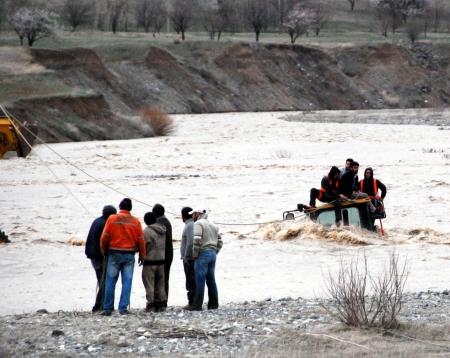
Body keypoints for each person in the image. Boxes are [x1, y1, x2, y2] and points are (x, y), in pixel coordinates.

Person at [100, 198, 145, 316]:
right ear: (130, 208)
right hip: (129, 255)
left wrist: (104, 250)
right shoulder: (135, 222)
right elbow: (141, 240)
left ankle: (108, 308)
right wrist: (142, 255)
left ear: (120, 207)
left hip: (113, 253)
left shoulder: (112, 218)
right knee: (127, 282)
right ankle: (123, 308)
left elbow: (105, 236)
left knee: (110, 281)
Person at [188, 208, 223, 311]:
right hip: (212, 254)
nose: (192, 216)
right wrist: (215, 251)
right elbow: (220, 241)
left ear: (197, 214)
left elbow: (197, 239)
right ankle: (213, 304)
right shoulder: (213, 224)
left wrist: (194, 254)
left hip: (203, 254)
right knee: (211, 279)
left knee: (200, 280)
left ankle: (197, 305)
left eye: (193, 214)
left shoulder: (198, 224)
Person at [85, 205, 117, 312]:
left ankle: (101, 304)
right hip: (99, 256)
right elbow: (104, 242)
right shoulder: (105, 224)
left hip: (93, 255)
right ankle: (99, 306)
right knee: (104, 281)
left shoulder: (97, 221)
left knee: (102, 280)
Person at [141, 212, 167, 312]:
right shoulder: (163, 230)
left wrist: (142, 256)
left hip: (150, 261)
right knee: (160, 283)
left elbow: (144, 246)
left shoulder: (146, 231)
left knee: (149, 283)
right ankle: (162, 303)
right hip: (161, 260)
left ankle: (150, 304)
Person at [152, 204, 173, 309]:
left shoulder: (159, 223)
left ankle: (160, 302)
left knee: (160, 279)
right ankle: (163, 301)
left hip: (163, 256)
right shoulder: (167, 221)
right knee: (165, 279)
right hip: (169, 255)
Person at [180, 206, 196, 309]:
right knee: (191, 280)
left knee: (190, 280)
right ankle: (193, 301)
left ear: (183, 216)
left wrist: (186, 257)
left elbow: (190, 242)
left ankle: (192, 302)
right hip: (190, 257)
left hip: (189, 258)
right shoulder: (191, 224)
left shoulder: (190, 225)